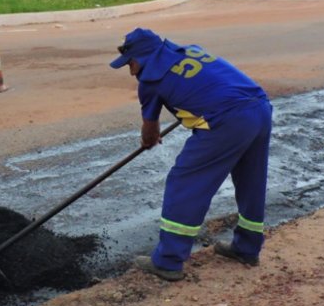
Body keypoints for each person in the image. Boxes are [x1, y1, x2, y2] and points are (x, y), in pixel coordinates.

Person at [110, 28, 273, 282]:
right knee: (251, 181)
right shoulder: (191, 51)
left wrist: (149, 140)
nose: (130, 70)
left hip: (226, 120)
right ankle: (247, 247)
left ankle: (167, 261)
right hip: (259, 107)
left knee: (184, 182)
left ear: (141, 58)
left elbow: (150, 131)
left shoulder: (150, 80)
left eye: (130, 63)